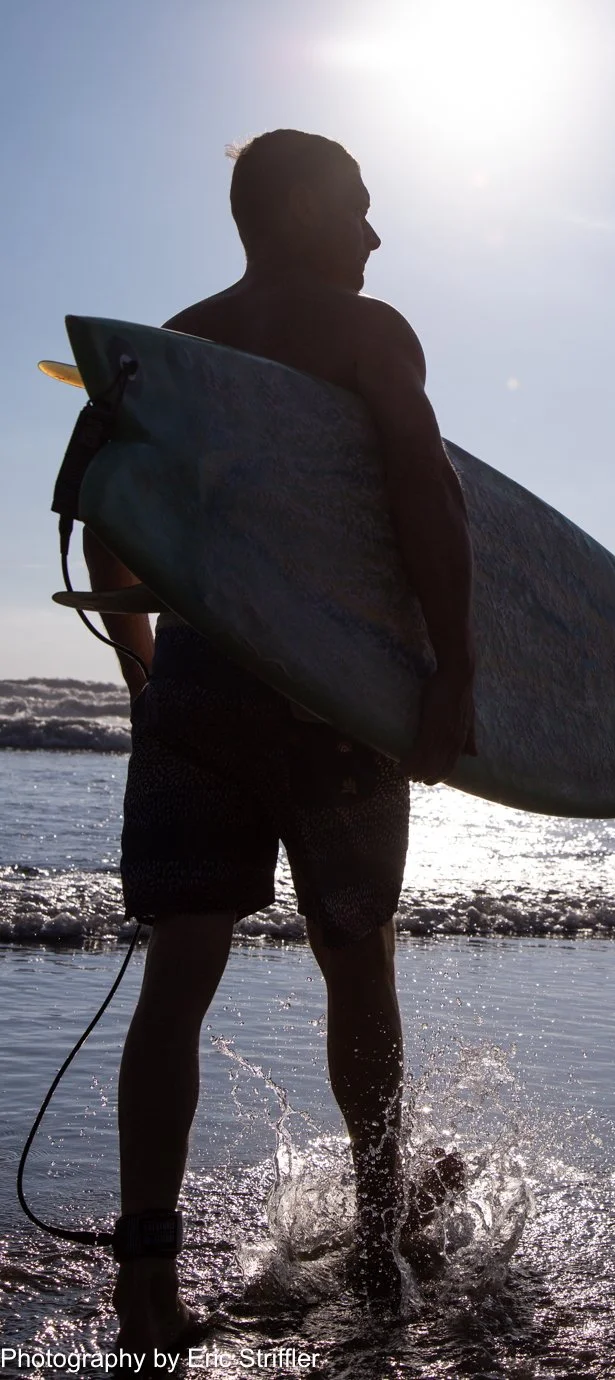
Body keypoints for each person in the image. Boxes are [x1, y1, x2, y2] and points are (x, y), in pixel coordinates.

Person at [84, 129, 476, 1350]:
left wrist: (148, 670)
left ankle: (146, 1278)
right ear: (303, 207)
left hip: (201, 685)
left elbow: (106, 509)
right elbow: (422, 481)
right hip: (332, 703)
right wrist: (455, 667)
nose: (373, 234)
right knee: (357, 963)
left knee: (176, 982)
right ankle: (374, 1245)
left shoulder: (178, 341)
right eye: (358, 208)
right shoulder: (370, 332)